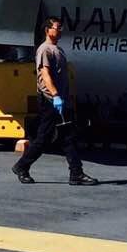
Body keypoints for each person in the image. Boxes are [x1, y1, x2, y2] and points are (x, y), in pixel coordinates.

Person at [14, 17, 90, 185]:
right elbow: (45, 74)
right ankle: (22, 166)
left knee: (67, 137)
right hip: (50, 100)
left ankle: (76, 173)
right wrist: (55, 95)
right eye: (57, 27)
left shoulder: (58, 49)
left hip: (59, 100)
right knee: (44, 138)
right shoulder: (45, 50)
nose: (60, 30)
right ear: (47, 30)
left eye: (61, 28)